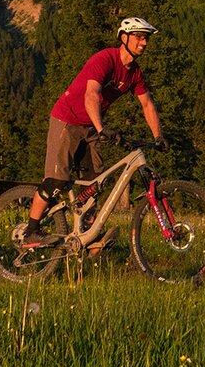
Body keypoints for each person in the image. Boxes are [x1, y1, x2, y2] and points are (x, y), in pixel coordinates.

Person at [23, 17, 167, 249]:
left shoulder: (134, 73)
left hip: (90, 127)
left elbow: (147, 104)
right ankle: (31, 231)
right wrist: (101, 128)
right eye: (140, 37)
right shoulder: (105, 59)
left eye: (146, 38)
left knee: (95, 183)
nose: (144, 43)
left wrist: (158, 136)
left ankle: (87, 235)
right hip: (67, 120)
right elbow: (92, 94)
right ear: (124, 38)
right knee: (57, 180)